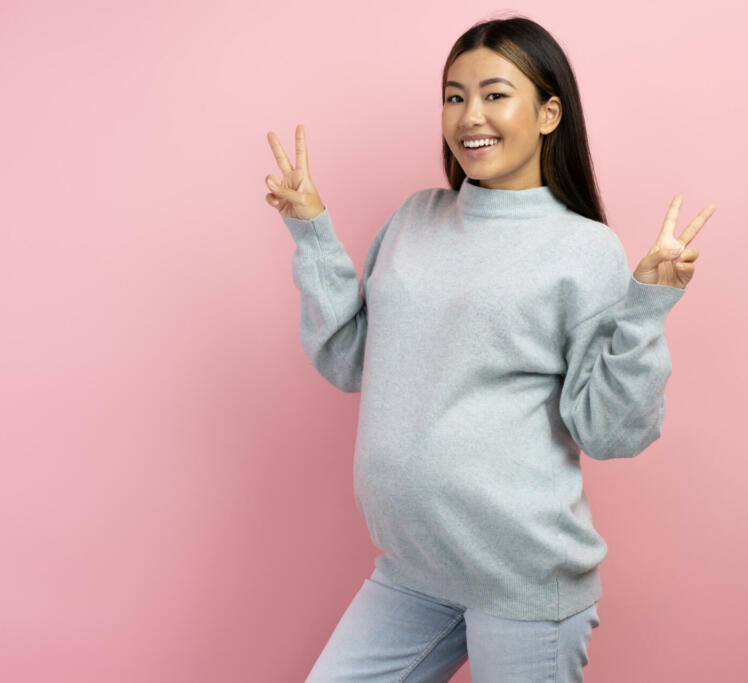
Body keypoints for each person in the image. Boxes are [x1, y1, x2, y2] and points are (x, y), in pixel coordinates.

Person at [263, 15, 715, 683]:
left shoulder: (582, 249)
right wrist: (313, 236)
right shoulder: (416, 218)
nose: (470, 115)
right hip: (414, 572)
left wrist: (646, 309)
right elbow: (351, 357)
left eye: (495, 94)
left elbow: (610, 430)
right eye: (454, 96)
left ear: (549, 112)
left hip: (523, 583)